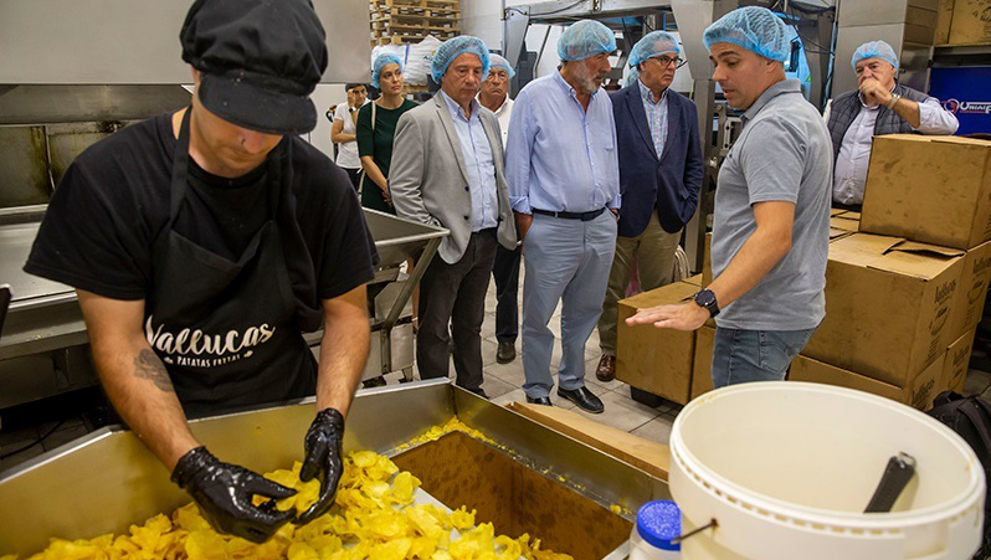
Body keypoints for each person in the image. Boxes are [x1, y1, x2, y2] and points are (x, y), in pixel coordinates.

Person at [23, 0, 377, 543]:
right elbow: (120, 340)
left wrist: (329, 418)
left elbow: (347, 313)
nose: (254, 142)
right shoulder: (112, 181)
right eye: (238, 113)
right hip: (157, 435)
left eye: (276, 123)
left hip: (282, 416)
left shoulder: (320, 187)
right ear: (195, 73)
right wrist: (193, 465)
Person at [626, 6, 832, 389]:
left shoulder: (774, 127)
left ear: (772, 60)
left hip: (759, 316)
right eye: (716, 61)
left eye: (731, 61)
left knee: (740, 438)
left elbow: (774, 235)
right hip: (786, 308)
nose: (719, 75)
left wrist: (704, 303)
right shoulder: (801, 113)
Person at [390, 37, 517, 397]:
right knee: (434, 327)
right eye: (462, 71)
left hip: (486, 238)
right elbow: (403, 189)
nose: (472, 79)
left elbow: (497, 176)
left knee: (471, 322)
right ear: (442, 74)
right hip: (445, 245)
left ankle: (470, 389)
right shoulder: (420, 120)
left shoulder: (488, 120)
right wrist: (434, 235)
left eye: (478, 71)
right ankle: (434, 396)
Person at [506, 19, 620, 413]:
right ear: (573, 57)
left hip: (600, 224)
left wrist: (614, 206)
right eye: (599, 57)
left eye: (608, 55)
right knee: (539, 315)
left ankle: (572, 381)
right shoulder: (534, 97)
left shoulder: (603, 100)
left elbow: (611, 155)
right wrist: (525, 218)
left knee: (585, 312)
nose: (607, 66)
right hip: (550, 226)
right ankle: (538, 387)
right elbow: (517, 162)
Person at [595, 31, 703, 382]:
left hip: (667, 214)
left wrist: (687, 204)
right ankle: (611, 350)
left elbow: (694, 163)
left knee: (660, 289)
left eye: (675, 61)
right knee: (613, 288)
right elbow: (601, 157)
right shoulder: (613, 104)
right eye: (664, 60)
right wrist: (609, 204)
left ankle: (652, 352)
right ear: (642, 63)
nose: (671, 67)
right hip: (623, 213)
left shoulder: (685, 108)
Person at [826, 40, 959, 209]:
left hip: (886, 208)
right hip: (834, 206)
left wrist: (890, 101)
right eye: (860, 70)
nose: (866, 74)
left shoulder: (917, 100)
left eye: (874, 67)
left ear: (893, 68)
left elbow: (949, 125)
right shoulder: (838, 104)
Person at [477, 53, 520, 364]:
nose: (495, 81)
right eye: (489, 74)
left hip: (507, 212)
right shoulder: (467, 111)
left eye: (501, 75)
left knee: (507, 282)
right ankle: (466, 333)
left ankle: (506, 338)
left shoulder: (519, 112)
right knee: (471, 283)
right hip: (474, 211)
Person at [357, 54, 418, 213]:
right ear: (377, 81)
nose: (395, 80)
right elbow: (366, 159)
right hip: (377, 192)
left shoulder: (415, 111)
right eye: (387, 75)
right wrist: (388, 188)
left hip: (409, 192)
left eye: (398, 73)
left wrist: (401, 191)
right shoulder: (368, 113)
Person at [331, 83, 368, 190]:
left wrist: (352, 108)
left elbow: (360, 128)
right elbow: (335, 137)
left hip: (364, 163)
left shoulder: (370, 106)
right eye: (356, 92)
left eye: (363, 91)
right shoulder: (341, 108)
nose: (361, 96)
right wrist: (357, 137)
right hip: (345, 162)